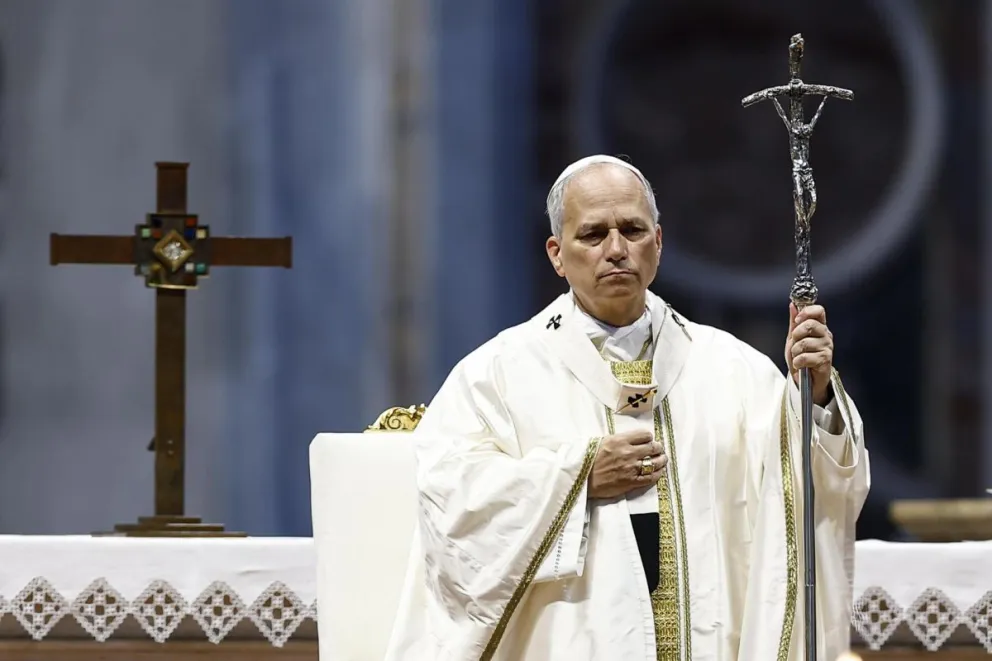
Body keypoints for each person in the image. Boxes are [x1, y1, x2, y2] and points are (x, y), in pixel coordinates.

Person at [384, 155, 870, 661]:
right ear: (556, 253)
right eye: (593, 235)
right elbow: (452, 505)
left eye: (632, 230)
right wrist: (578, 476)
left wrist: (813, 396)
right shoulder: (495, 376)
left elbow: (811, 492)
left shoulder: (735, 370)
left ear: (657, 244)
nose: (616, 250)